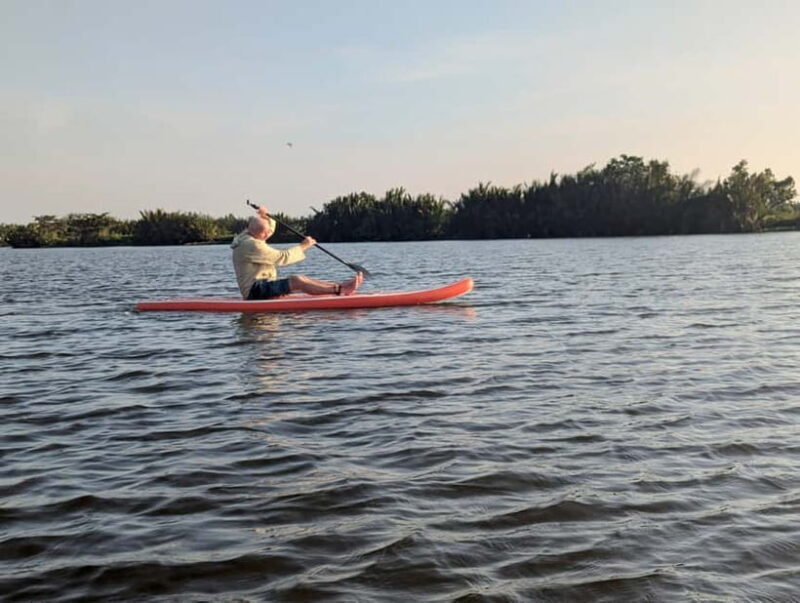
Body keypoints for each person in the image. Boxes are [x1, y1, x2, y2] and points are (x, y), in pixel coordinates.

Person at [231, 205, 363, 300]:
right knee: (297, 281)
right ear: (263, 235)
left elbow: (267, 229)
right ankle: (340, 290)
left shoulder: (247, 235)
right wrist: (303, 246)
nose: (270, 234)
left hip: (262, 285)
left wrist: (265, 216)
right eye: (267, 234)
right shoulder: (252, 245)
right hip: (256, 291)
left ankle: (340, 287)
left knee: (302, 278)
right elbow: (282, 257)